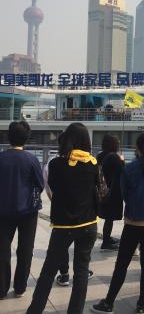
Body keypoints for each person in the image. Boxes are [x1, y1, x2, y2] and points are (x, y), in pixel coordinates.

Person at [26, 123, 98, 314]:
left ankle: (35, 310)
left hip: (64, 225)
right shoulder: (94, 163)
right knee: (82, 271)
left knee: (49, 270)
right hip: (89, 224)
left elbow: (52, 190)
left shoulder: (56, 164)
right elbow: (98, 191)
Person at [92, 133, 144, 314]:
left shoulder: (130, 169)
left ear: (137, 149)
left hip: (134, 221)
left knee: (122, 263)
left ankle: (109, 302)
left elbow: (125, 193)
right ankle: (142, 304)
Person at [43, 133, 94, 287]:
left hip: (62, 215)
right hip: (85, 217)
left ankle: (64, 274)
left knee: (61, 247)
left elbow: (49, 188)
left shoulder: (52, 163)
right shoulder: (89, 161)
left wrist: (57, 202)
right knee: (82, 255)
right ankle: (83, 272)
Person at [0, 121, 43, 300]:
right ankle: (20, 287)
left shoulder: (1, 158)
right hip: (28, 211)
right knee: (25, 250)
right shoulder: (31, 159)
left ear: (8, 137)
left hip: (2, 211)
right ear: (26, 138)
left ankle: (1, 289)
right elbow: (40, 184)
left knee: (2, 250)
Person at [97, 134, 124, 251]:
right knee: (110, 218)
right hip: (113, 192)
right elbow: (122, 171)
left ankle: (107, 239)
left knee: (108, 218)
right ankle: (106, 242)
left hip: (103, 190)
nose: (118, 144)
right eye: (117, 142)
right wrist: (122, 161)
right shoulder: (114, 157)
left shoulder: (100, 155)